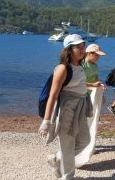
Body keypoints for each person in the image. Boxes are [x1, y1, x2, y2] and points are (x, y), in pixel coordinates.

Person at [38, 34, 92, 179]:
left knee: (85, 140)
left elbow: (79, 84)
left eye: (83, 46)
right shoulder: (62, 68)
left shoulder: (79, 65)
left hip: (80, 107)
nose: (82, 49)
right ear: (69, 49)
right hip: (67, 109)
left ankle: (56, 158)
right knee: (67, 145)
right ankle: (67, 177)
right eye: (77, 47)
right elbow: (53, 95)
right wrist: (47, 121)